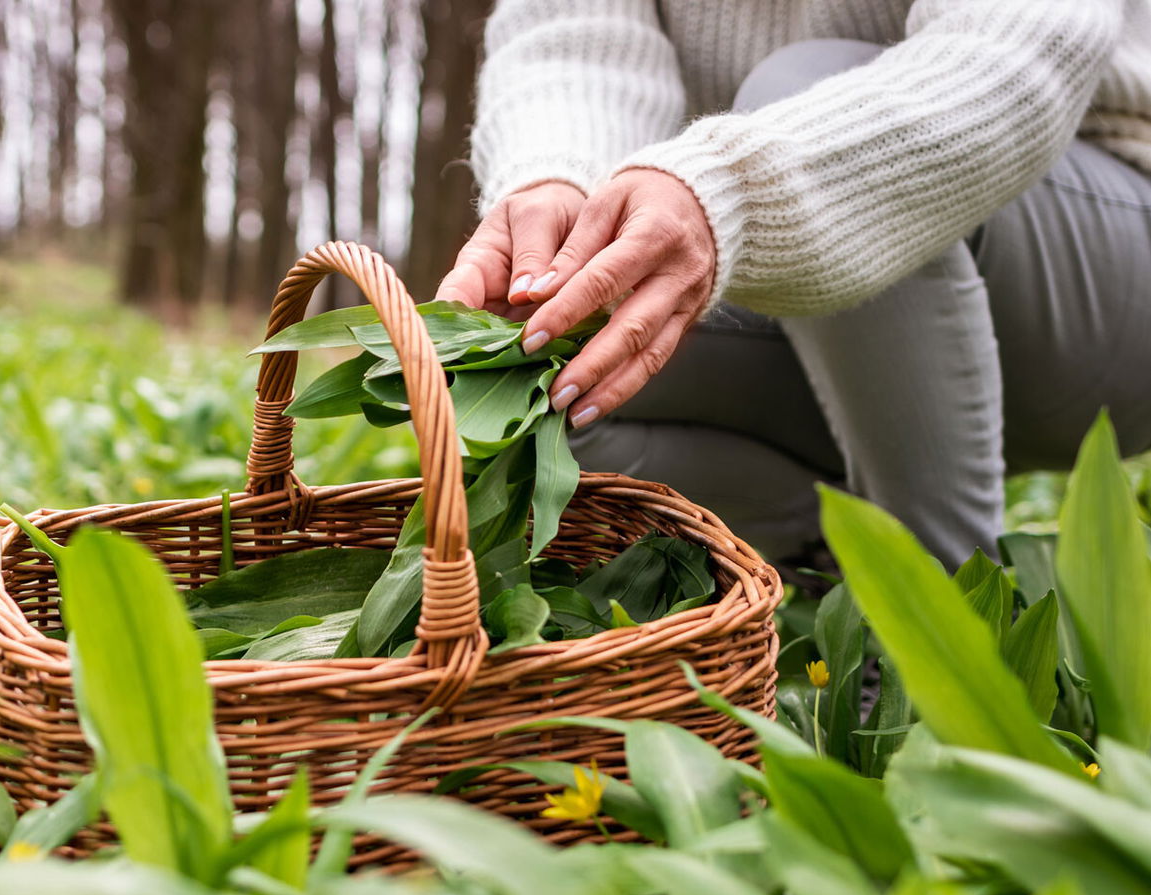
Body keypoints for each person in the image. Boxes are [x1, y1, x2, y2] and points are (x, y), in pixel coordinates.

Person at [439, 0, 1151, 570]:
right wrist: (562, 190)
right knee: (540, 380)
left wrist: (736, 189)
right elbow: (571, 37)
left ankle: (946, 621)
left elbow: (1018, 48)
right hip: (822, 320)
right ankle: (843, 556)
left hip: (1096, 280)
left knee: (803, 84)